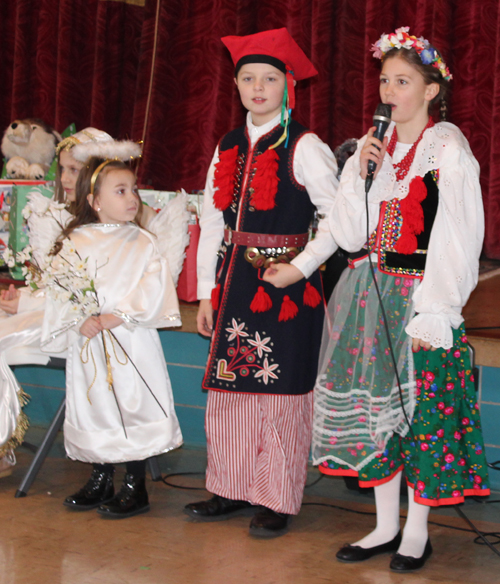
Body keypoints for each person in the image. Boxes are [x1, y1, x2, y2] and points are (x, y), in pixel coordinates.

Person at [312, 27, 490, 572]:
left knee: (422, 415)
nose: (389, 91)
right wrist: (358, 175)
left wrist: (436, 309)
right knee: (374, 414)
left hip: (419, 295)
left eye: (404, 81)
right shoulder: (374, 149)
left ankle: (416, 530)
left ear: (431, 90)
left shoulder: (446, 148)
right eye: (385, 80)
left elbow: (458, 235)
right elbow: (347, 233)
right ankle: (384, 525)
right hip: (367, 293)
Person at [184, 28, 338, 537]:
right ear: (235, 85)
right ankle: (229, 487)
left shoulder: (306, 146)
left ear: (287, 85)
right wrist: (208, 288)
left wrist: (301, 266)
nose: (257, 87)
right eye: (247, 78)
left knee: (280, 393)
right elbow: (210, 220)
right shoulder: (227, 144)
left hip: (286, 289)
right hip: (233, 287)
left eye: (269, 78)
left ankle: (276, 496)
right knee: (231, 389)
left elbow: (338, 221)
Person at [41, 150, 183, 518]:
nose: (132, 198)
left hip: (130, 342)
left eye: (134, 189)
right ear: (94, 200)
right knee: (96, 406)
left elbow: (153, 285)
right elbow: (59, 289)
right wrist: (79, 318)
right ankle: (100, 476)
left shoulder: (142, 242)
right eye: (120, 191)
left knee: (130, 405)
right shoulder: (74, 243)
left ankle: (136, 485)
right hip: (90, 346)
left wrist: (117, 315)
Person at [0, 128, 114, 477]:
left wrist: (28, 305)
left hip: (82, 331)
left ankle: (1, 447)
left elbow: (89, 297)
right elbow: (54, 284)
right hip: (50, 317)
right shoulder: (53, 216)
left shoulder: (109, 226)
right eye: (62, 168)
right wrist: (24, 297)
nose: (65, 178)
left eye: (74, 170)